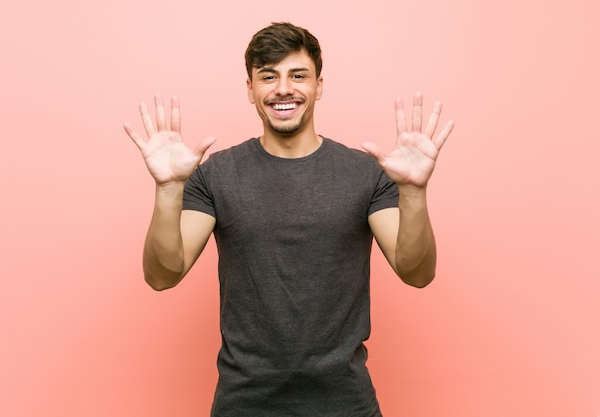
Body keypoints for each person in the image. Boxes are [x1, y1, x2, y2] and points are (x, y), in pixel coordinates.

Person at [123, 22, 453, 417]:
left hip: (345, 405)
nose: (283, 89)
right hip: (244, 404)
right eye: (268, 76)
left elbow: (416, 272)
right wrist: (168, 188)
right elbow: (163, 275)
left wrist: (414, 191)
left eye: (298, 75)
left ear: (319, 85)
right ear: (250, 89)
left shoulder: (366, 174)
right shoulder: (217, 174)